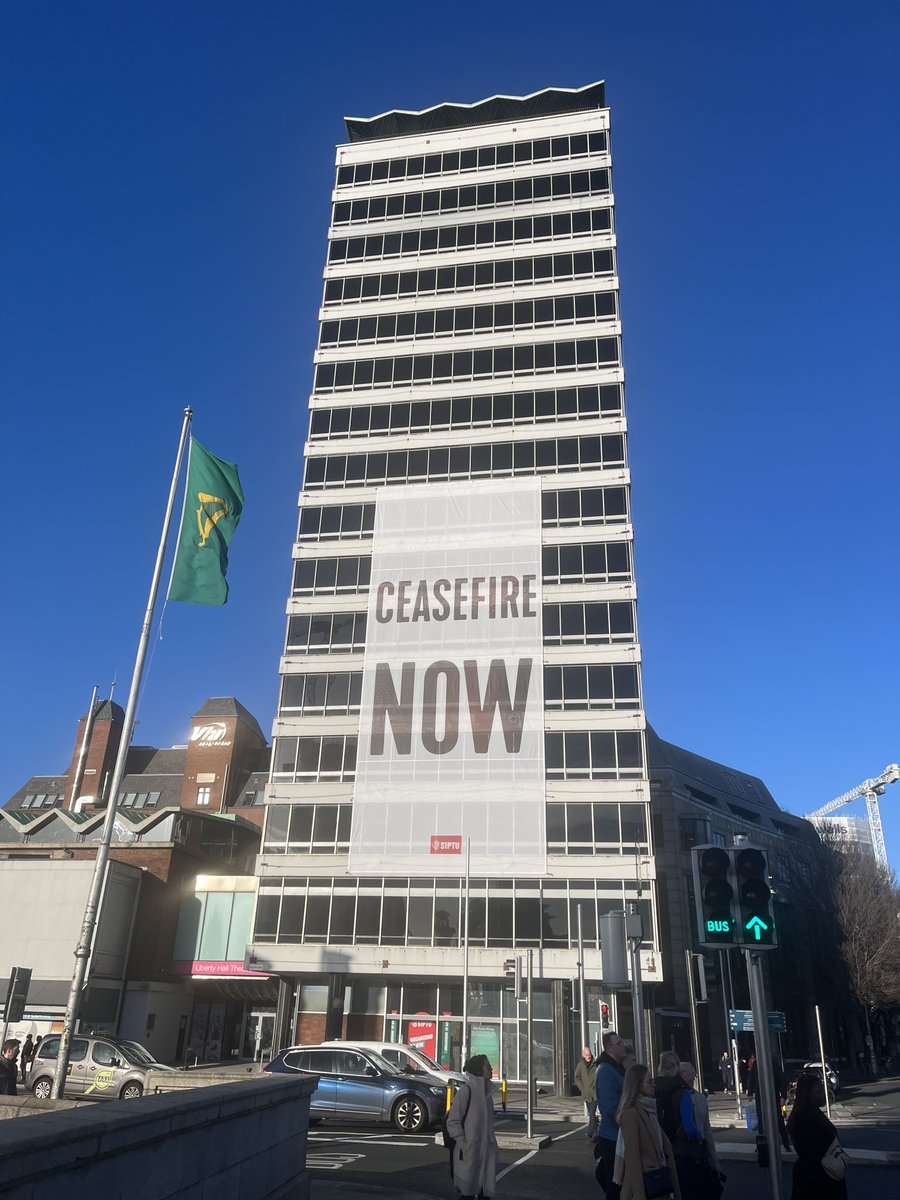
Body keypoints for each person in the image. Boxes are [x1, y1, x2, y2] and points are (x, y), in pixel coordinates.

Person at [615, 1063, 681, 1199]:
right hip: (647, 1185)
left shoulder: (650, 1109)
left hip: (660, 1182)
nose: (653, 1085)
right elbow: (632, 1156)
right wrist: (639, 1195)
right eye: (649, 1081)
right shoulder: (631, 1114)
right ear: (637, 1085)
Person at [786, 1073, 848, 1199]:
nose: (823, 1094)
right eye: (819, 1091)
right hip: (819, 1178)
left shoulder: (807, 1113)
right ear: (808, 1094)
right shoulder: (807, 1117)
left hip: (817, 1174)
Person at [446, 1053, 498, 1199]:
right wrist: (464, 1145)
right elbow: (453, 1121)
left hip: (485, 1154)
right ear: (479, 1070)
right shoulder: (466, 1091)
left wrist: (493, 1147)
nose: (491, 1068)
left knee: (484, 1194)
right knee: (467, 1194)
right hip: (470, 1154)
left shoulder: (488, 1097)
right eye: (487, 1066)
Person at [653, 1051, 704, 1199]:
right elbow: (689, 1126)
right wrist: (699, 1139)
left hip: (660, 1148)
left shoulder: (653, 1090)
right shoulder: (682, 1092)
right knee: (685, 1191)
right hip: (681, 1150)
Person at [680, 1062, 725, 1200]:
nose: (679, 1075)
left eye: (683, 1072)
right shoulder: (678, 1096)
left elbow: (707, 1130)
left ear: (693, 1075)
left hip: (700, 1152)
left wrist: (714, 1162)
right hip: (686, 1153)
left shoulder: (700, 1098)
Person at [594, 1030, 629, 1197]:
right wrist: (629, 1122)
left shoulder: (617, 1068)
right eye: (619, 1043)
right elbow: (610, 1108)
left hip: (619, 1135)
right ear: (610, 1048)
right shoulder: (606, 1071)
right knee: (616, 1183)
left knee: (616, 1181)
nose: (624, 1046)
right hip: (613, 1137)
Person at [575, 1046, 599, 1139]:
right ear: (583, 1055)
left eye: (589, 1054)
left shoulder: (595, 1064)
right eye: (586, 1055)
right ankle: (595, 1132)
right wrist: (582, 1088)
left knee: (592, 1113)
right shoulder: (581, 1065)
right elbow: (577, 1077)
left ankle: (590, 1132)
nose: (588, 1056)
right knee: (591, 1113)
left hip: (594, 1093)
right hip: (586, 1093)